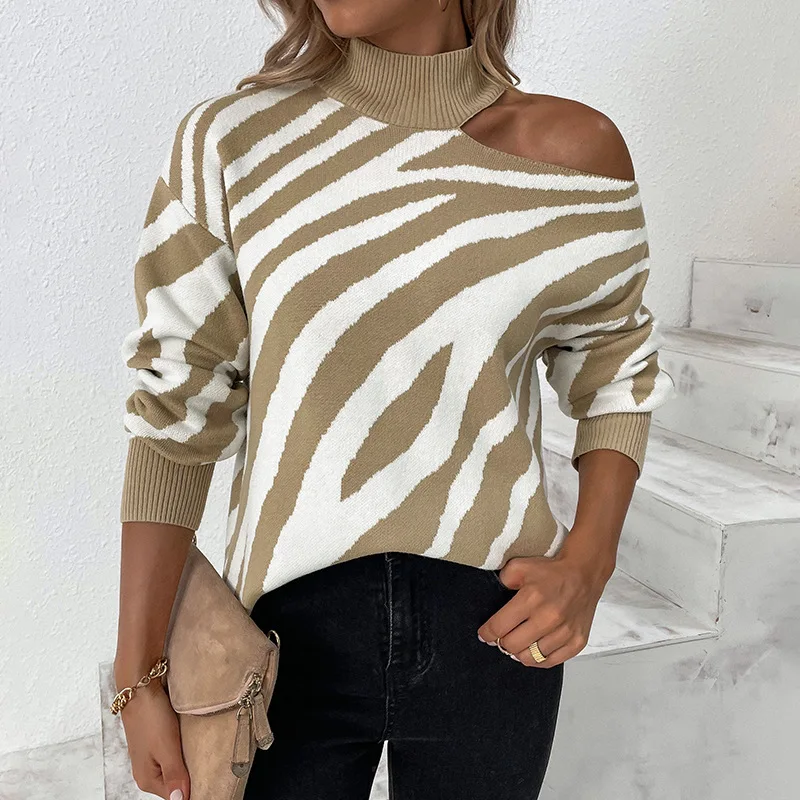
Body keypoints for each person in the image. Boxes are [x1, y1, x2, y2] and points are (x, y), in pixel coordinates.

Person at [113, 1, 676, 798]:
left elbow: (616, 365)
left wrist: (591, 559)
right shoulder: (233, 143)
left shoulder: (576, 155)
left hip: (495, 634)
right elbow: (178, 404)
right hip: (281, 647)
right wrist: (137, 672)